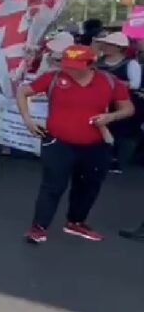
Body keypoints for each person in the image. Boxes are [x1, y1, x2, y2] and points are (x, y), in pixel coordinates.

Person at [17, 45, 134, 244]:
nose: (69, 69)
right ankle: (38, 227)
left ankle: (76, 222)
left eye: (75, 66)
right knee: (52, 185)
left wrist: (110, 116)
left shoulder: (109, 81)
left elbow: (128, 108)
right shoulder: (53, 78)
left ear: (90, 64)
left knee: (89, 185)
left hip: (95, 144)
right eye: (67, 65)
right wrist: (27, 120)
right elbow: (23, 91)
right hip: (58, 142)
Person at [92, 31, 142, 174]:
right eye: (105, 44)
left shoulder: (130, 64)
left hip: (120, 101)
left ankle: (114, 159)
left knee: (117, 131)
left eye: (110, 45)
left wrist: (112, 82)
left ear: (119, 47)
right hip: (99, 99)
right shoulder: (98, 61)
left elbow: (135, 84)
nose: (106, 47)